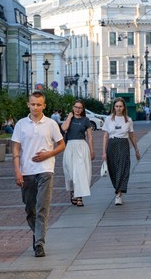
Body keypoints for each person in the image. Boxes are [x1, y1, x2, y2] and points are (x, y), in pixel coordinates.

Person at [11, 91, 66, 257]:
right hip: (27, 171)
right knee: (30, 208)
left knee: (42, 207)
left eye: (39, 104)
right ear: (28, 104)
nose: (35, 107)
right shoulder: (21, 124)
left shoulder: (50, 124)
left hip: (45, 169)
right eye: (33, 104)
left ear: (44, 106)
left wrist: (48, 154)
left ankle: (39, 243)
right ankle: (37, 232)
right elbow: (15, 148)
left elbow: (61, 145)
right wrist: (17, 171)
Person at [102, 97, 140, 206]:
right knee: (113, 169)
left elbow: (132, 136)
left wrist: (136, 150)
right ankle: (117, 188)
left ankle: (118, 194)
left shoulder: (128, 120)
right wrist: (104, 151)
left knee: (122, 168)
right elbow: (105, 136)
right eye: (117, 106)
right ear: (114, 107)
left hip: (123, 144)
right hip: (112, 144)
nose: (118, 108)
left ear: (124, 107)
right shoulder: (109, 119)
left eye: (120, 106)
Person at [61, 100, 94, 207]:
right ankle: (73, 191)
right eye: (76, 107)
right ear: (73, 107)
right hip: (70, 147)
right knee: (70, 173)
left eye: (80, 108)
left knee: (80, 172)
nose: (77, 109)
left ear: (83, 109)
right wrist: (69, 117)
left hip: (81, 146)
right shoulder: (69, 119)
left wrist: (92, 150)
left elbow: (89, 137)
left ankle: (79, 197)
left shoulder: (86, 120)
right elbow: (63, 128)